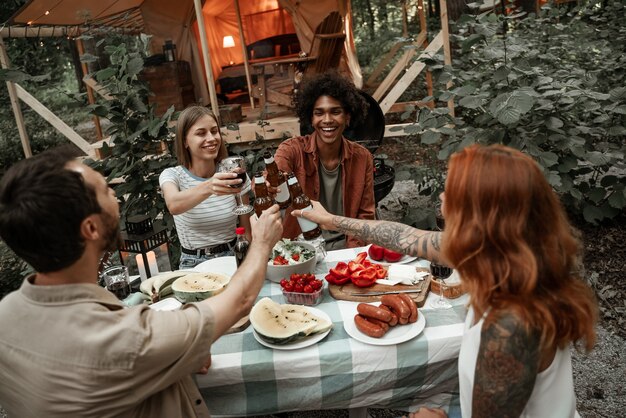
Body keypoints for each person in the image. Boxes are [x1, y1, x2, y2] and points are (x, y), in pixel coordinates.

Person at [292, 144, 597, 418]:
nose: (441, 196)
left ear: (479, 216)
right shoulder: (497, 253)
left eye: (450, 191)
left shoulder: (509, 328)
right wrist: (332, 219)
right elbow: (405, 237)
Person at [0, 146, 283, 417]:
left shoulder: (6, 313)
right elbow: (241, 300)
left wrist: (178, 353)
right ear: (91, 228)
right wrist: (260, 245)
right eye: (105, 190)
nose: (116, 197)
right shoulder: (125, 341)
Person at [273, 70, 375, 249]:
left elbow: (365, 215)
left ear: (348, 117)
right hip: (302, 250)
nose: (327, 120)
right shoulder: (292, 150)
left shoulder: (362, 157)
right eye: (319, 113)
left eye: (335, 112)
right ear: (311, 119)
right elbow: (272, 176)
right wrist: (268, 185)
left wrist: (355, 256)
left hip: (347, 248)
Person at [160, 105, 252, 269]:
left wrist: (247, 262)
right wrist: (210, 186)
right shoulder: (173, 175)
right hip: (193, 263)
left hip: (234, 256)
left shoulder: (233, 174)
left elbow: (246, 231)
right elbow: (173, 205)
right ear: (185, 141)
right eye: (201, 133)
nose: (211, 138)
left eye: (214, 131)